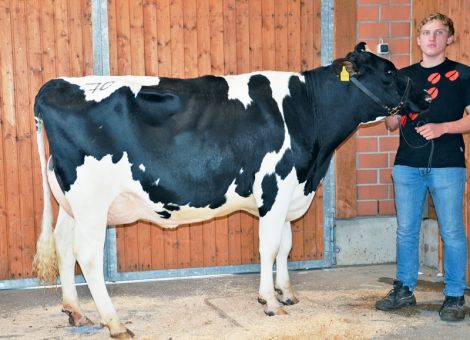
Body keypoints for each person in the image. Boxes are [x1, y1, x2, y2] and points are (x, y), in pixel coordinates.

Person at [375, 12, 470, 321]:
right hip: (407, 166)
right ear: (418, 39)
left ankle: (454, 295)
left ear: (449, 39)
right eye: (427, 32)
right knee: (406, 230)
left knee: (452, 231)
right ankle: (403, 289)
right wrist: (386, 106)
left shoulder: (464, 74)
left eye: (439, 32)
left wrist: (443, 128)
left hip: (448, 165)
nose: (432, 38)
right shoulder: (403, 77)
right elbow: (391, 124)